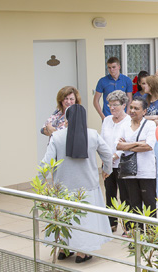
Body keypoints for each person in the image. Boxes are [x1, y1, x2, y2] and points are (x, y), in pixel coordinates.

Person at [42, 104, 113, 263]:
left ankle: (63, 249)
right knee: (85, 220)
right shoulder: (93, 135)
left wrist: (40, 182)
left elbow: (46, 162)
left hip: (63, 186)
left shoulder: (57, 136)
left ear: (66, 118)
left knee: (64, 218)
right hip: (87, 187)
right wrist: (107, 169)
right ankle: (82, 253)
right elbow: (107, 154)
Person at [116, 97, 158, 224]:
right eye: (131, 107)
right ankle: (136, 239)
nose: (132, 111)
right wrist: (138, 144)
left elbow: (148, 146)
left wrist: (128, 145)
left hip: (146, 172)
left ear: (144, 111)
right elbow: (118, 146)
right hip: (129, 172)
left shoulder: (150, 125)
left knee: (150, 206)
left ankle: (151, 239)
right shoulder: (124, 125)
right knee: (134, 206)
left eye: (136, 108)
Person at [100, 90, 131, 233]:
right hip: (107, 163)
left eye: (115, 105)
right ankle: (111, 223)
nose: (112, 108)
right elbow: (102, 140)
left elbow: (127, 142)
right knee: (109, 193)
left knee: (125, 195)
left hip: (122, 163)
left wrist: (114, 156)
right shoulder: (106, 120)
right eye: (110, 105)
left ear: (124, 105)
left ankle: (127, 225)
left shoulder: (128, 121)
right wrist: (105, 158)